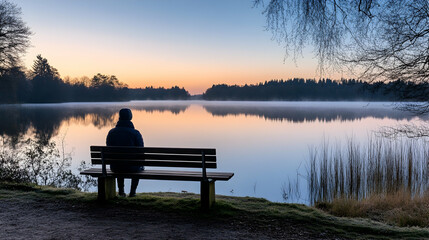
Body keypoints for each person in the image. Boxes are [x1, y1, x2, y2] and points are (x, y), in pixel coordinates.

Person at [106, 108, 144, 197]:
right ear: (130, 117)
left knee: (119, 161)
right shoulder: (135, 133)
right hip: (132, 168)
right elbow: (141, 151)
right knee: (137, 164)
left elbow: (109, 148)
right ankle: (133, 192)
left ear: (120, 117)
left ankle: (121, 191)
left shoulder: (111, 133)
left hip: (115, 167)